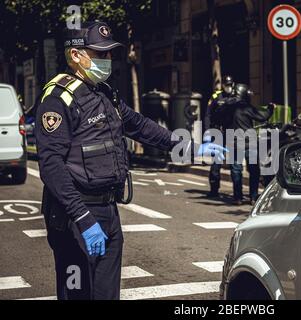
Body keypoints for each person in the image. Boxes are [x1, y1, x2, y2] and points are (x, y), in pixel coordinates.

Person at [34, 21, 226, 300]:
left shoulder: (105, 93)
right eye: (99, 54)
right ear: (76, 55)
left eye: (110, 53)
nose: (107, 59)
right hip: (75, 215)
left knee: (107, 295)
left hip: (108, 211)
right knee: (77, 296)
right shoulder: (57, 98)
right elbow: (51, 166)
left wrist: (190, 147)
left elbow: (141, 126)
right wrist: (83, 218)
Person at [229, 84, 274, 205]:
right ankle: (253, 197)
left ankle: (237, 197)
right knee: (254, 170)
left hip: (233, 142)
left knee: (236, 170)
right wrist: (270, 108)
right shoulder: (245, 107)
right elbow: (262, 116)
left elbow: (216, 117)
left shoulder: (228, 107)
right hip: (249, 143)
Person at [204, 75, 239, 198]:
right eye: (226, 85)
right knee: (216, 163)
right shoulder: (216, 97)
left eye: (230, 85)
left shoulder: (237, 96)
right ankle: (214, 190)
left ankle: (237, 194)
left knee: (235, 163)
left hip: (232, 133)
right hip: (218, 132)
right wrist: (208, 131)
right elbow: (208, 115)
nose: (228, 87)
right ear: (223, 85)